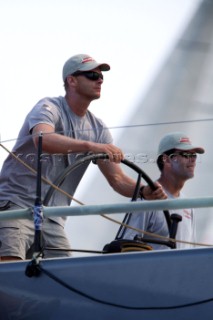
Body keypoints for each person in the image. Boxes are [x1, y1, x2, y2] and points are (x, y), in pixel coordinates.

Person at [0, 53, 166, 261]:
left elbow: (118, 180)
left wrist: (144, 191)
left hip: (53, 219)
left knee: (65, 276)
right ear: (71, 80)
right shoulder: (48, 107)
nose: (99, 80)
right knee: (9, 271)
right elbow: (42, 139)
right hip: (16, 206)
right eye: (92, 75)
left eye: (101, 76)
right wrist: (90, 146)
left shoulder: (99, 129)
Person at [122, 131, 205, 250]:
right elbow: (128, 249)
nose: (192, 160)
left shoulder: (189, 206)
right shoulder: (146, 199)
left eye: (194, 155)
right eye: (186, 155)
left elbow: (191, 253)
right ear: (166, 160)